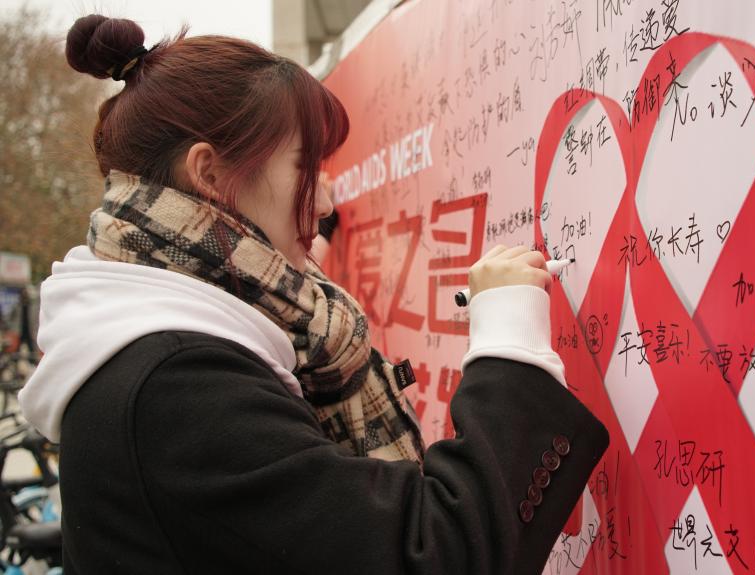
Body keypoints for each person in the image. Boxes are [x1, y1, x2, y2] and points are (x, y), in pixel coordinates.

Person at [19, 15, 609, 574]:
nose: (324, 201)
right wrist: (509, 339)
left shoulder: (163, 337)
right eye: (306, 168)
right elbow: (431, 555)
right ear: (211, 173)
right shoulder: (176, 386)